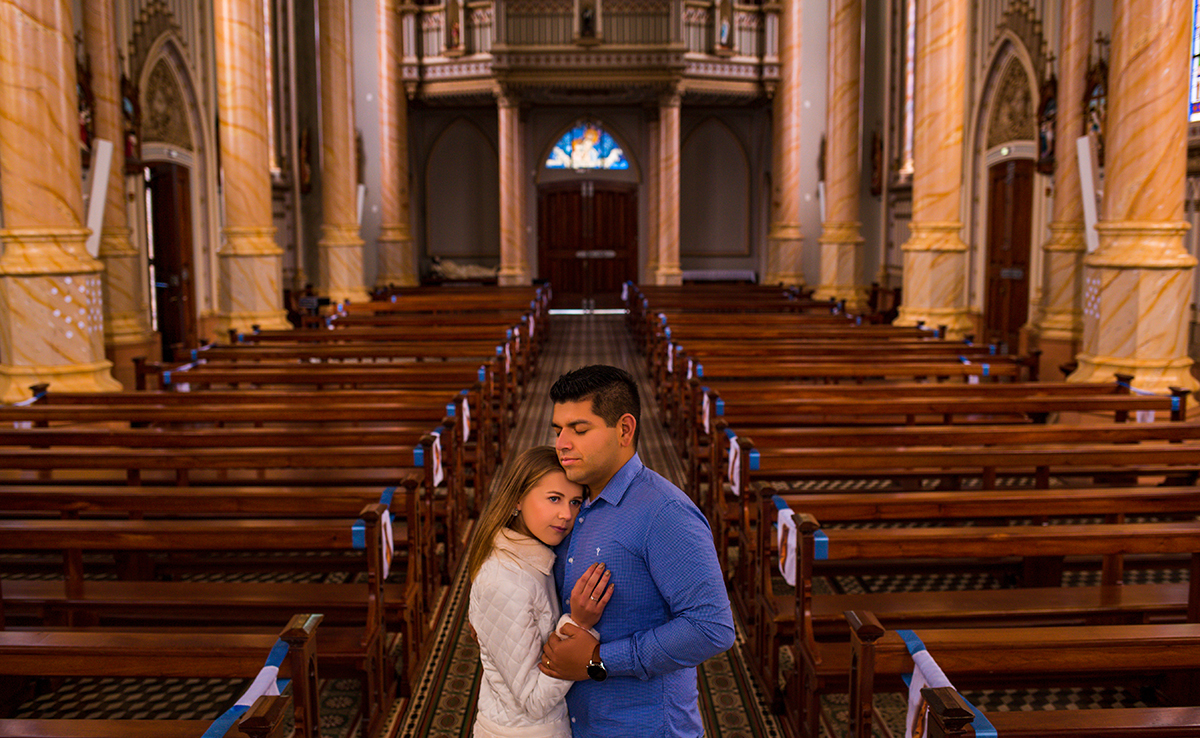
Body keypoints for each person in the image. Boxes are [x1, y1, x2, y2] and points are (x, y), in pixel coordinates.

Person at [540, 365, 735, 737]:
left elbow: (712, 627)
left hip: (643, 725)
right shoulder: (573, 503)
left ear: (625, 430)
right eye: (558, 430)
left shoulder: (664, 512)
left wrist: (598, 660)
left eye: (579, 430)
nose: (562, 443)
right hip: (579, 721)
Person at [467, 445, 615, 738]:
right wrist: (579, 625)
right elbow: (535, 700)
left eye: (575, 502)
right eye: (554, 499)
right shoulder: (505, 579)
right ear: (518, 499)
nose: (566, 514)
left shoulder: (533, 557)